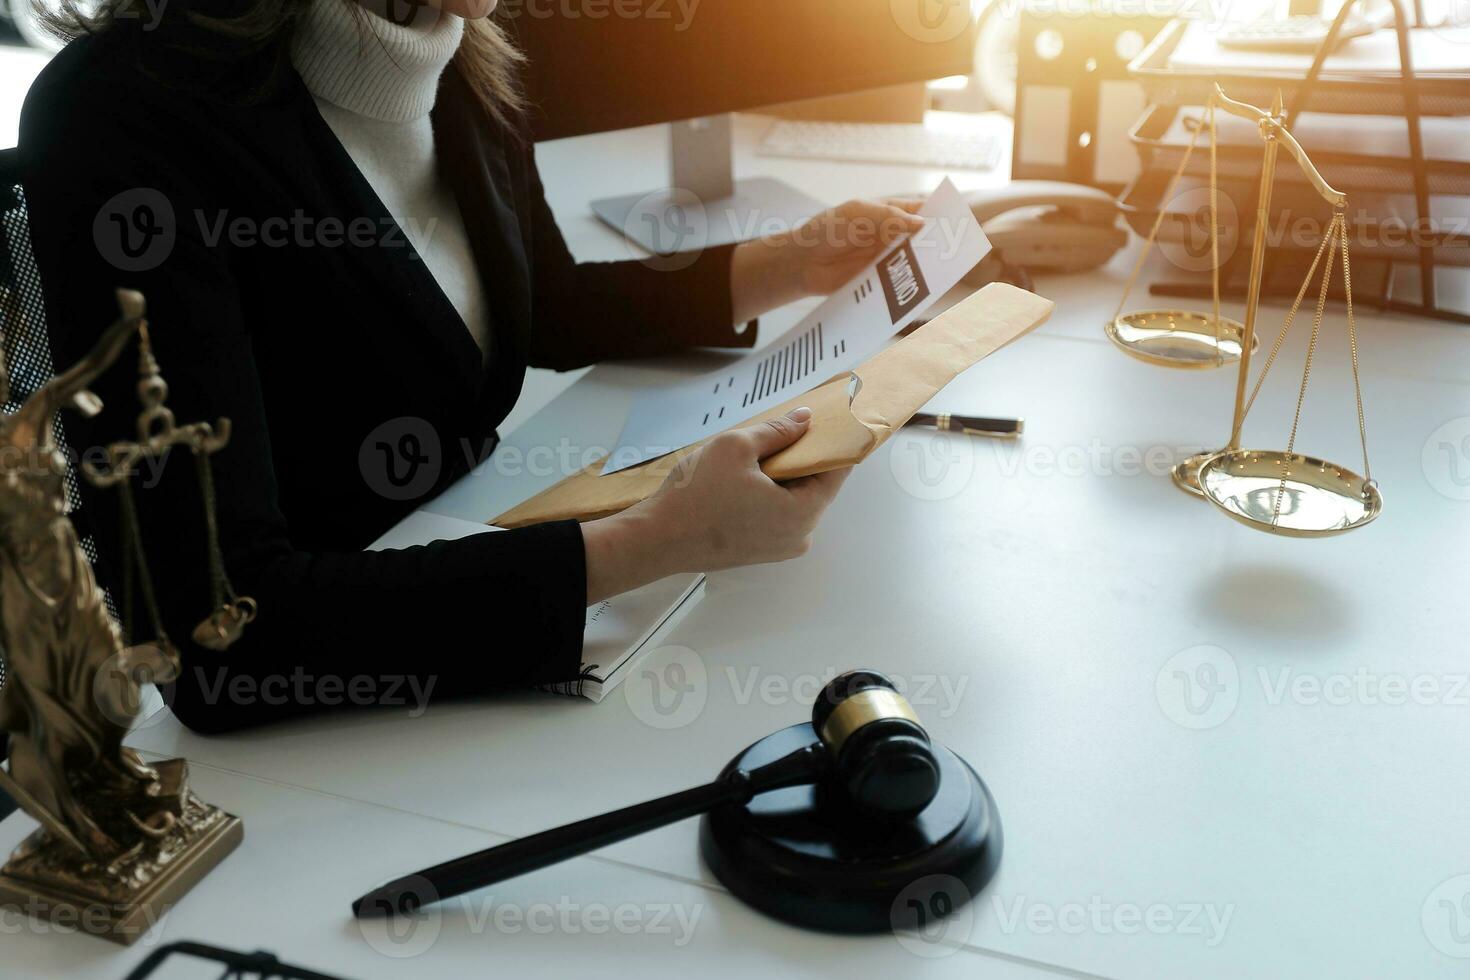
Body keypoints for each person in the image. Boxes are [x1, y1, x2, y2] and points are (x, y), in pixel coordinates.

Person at [16, 0, 924, 731]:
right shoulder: (124, 114)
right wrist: (660, 541)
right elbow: (225, 637)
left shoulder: (452, 40)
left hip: (460, 585)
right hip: (312, 745)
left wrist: (787, 262)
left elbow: (526, 302)